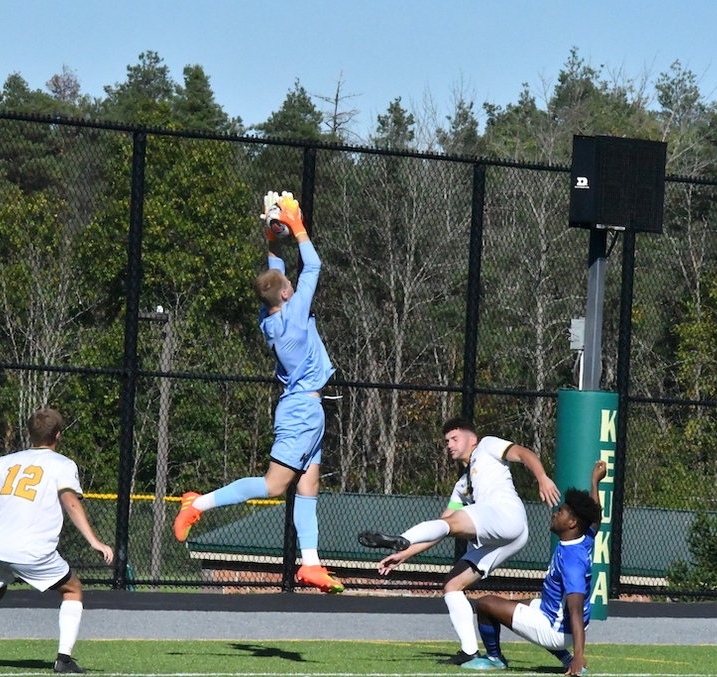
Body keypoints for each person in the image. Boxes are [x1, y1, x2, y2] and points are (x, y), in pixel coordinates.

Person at [173, 191, 343, 594]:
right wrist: (297, 227)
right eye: (289, 286)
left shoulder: (269, 317)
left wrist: (272, 237)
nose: (292, 286)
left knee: (308, 487)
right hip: (301, 412)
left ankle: (311, 564)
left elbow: (275, 274)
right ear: (285, 294)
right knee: (273, 486)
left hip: (308, 411)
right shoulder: (294, 318)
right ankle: (198, 503)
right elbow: (314, 265)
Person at [359, 418, 560, 663]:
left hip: (507, 516)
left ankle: (403, 538)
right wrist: (404, 554)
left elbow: (523, 453)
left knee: (453, 522)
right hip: (507, 538)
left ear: (472, 439)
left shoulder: (487, 445)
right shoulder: (462, 486)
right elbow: (442, 525)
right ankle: (469, 652)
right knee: (452, 585)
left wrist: (542, 477)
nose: (449, 445)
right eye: (447, 441)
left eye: (454, 439)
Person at [0, 408, 114, 674]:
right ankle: (64, 659)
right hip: (30, 548)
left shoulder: (5, 461)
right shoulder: (63, 464)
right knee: (73, 589)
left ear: (30, 434)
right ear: (58, 435)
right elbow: (71, 502)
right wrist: (95, 541)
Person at [462, 460, 607, 674]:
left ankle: (494, 658)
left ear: (572, 523)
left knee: (485, 604)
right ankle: (565, 657)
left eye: (561, 511)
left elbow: (575, 609)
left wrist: (579, 656)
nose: (555, 513)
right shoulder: (583, 538)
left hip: (557, 630)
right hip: (558, 618)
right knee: (521, 605)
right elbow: (595, 520)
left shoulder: (572, 561)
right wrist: (595, 482)